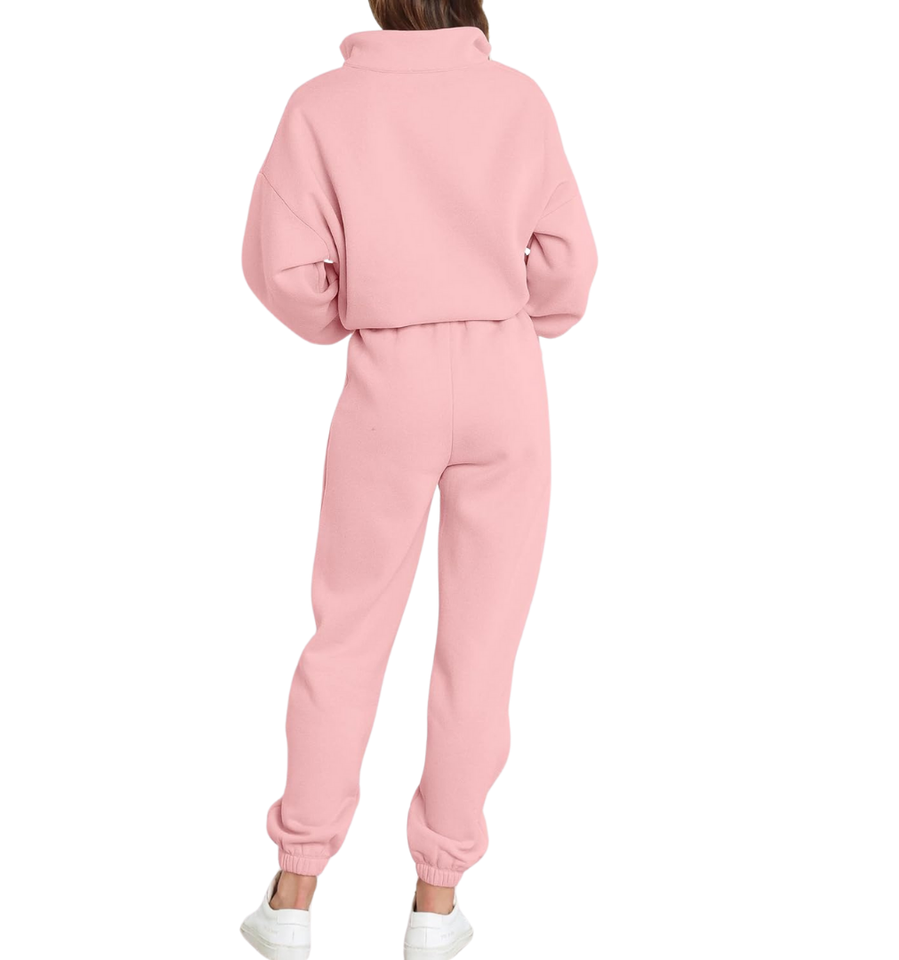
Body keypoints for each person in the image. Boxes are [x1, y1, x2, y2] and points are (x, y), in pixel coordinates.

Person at [239, 2, 597, 956]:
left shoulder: (321, 105)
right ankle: (435, 906)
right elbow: (569, 267)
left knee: (348, 631)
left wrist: (355, 309)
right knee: (481, 645)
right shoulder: (517, 98)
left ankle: (292, 894)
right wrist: (511, 309)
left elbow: (284, 271)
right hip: (504, 376)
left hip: (387, 379)